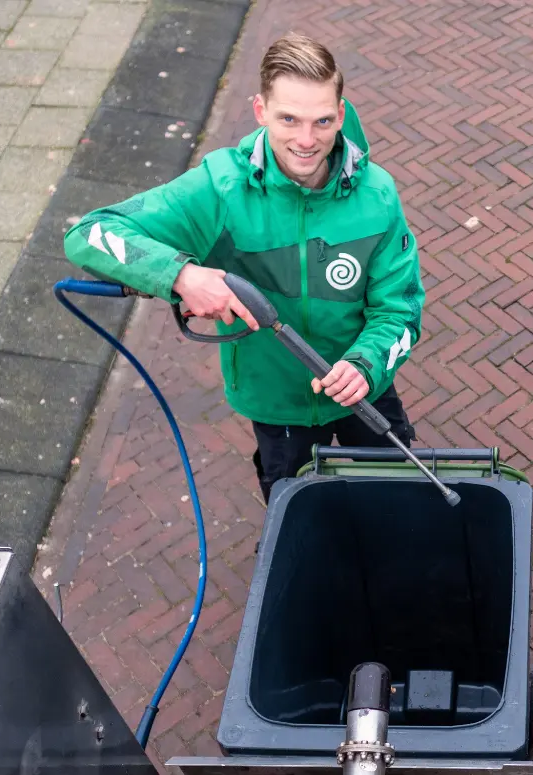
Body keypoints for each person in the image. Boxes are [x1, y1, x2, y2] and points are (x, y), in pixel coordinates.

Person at [64, 34, 423, 503]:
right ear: (260, 110)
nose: (306, 140)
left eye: (323, 121)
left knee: (398, 494)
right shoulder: (219, 188)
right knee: (294, 503)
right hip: (274, 400)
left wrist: (366, 364)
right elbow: (90, 232)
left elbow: (399, 310)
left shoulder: (377, 196)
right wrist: (181, 276)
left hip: (366, 390)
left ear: (340, 111)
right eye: (288, 119)